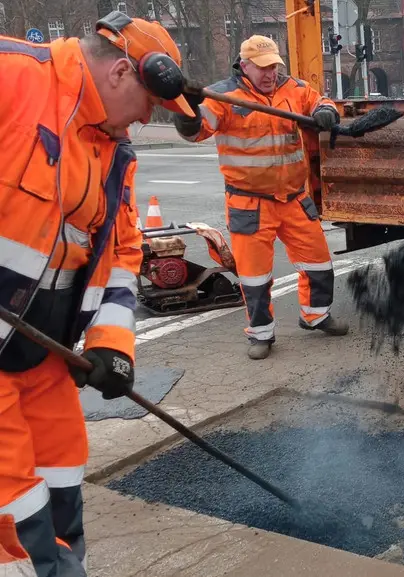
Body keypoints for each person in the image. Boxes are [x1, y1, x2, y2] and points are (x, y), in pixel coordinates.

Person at [0, 12, 194, 577]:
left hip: (44, 352)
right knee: (17, 519)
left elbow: (123, 255)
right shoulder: (16, 78)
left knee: (61, 482)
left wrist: (113, 347)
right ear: (120, 73)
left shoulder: (112, 154)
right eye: (150, 104)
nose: (145, 120)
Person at [173, 35, 349, 361]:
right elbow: (195, 131)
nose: (270, 74)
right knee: (255, 278)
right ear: (245, 65)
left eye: (275, 67)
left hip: (294, 198)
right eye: (264, 68)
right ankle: (261, 334)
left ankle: (316, 315)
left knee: (319, 262)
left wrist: (327, 113)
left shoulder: (293, 89)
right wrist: (184, 109)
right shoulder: (222, 96)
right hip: (249, 203)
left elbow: (320, 101)